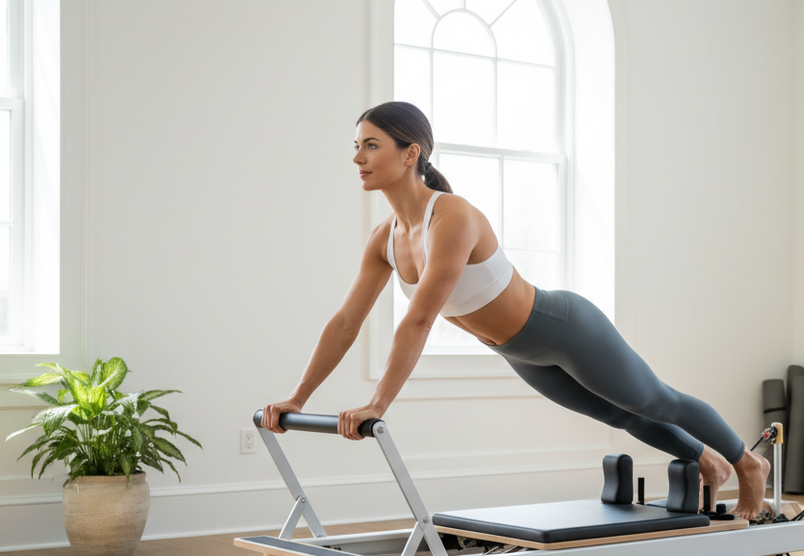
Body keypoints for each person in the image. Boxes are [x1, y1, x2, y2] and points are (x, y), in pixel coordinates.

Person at [260, 102, 770, 519]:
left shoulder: (452, 216)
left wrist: (377, 404)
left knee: (655, 401)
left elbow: (419, 318)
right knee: (620, 414)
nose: (358, 158)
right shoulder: (384, 239)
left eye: (371, 145)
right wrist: (297, 397)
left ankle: (748, 465)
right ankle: (707, 460)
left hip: (564, 328)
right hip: (517, 351)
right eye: (356, 146)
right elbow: (346, 322)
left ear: (410, 152)